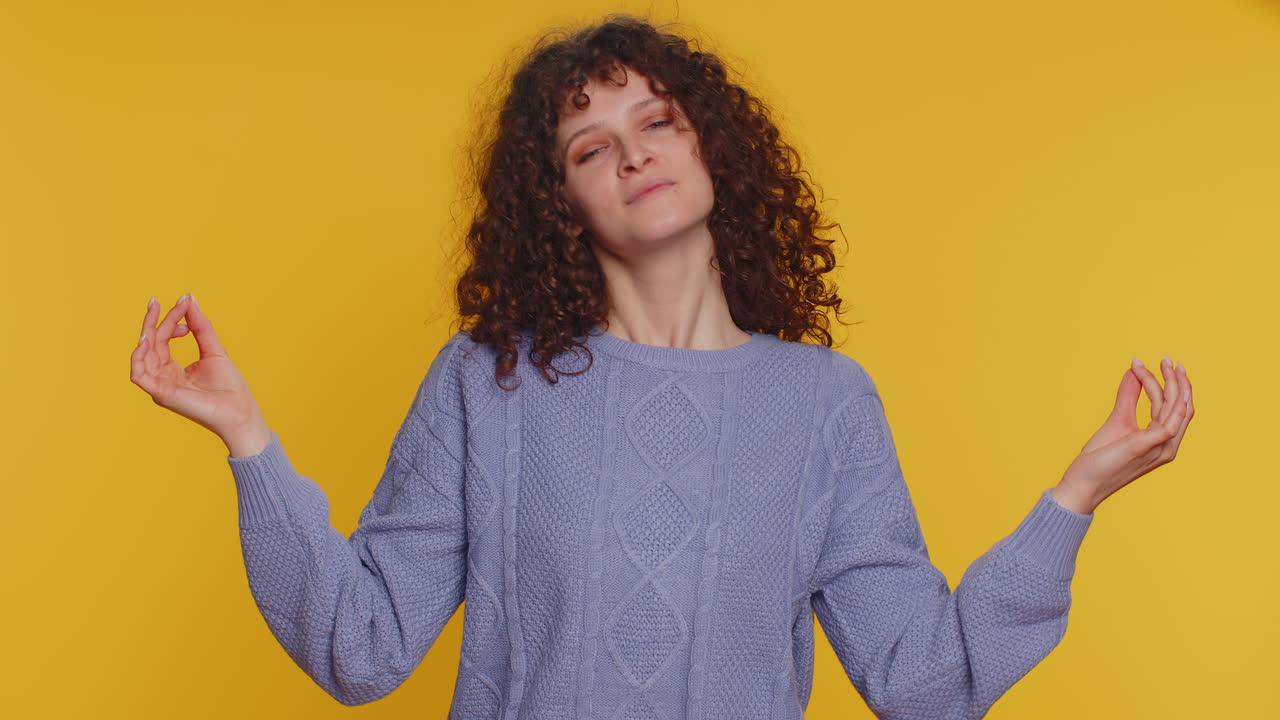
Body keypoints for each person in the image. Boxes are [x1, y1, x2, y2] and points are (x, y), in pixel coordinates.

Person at [129, 14, 1195, 718]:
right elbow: (359, 649)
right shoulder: (485, 384)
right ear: (559, 205)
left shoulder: (821, 406)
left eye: (655, 120)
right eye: (588, 146)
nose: (631, 151)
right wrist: (247, 441)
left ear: (708, 149)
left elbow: (923, 682)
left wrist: (1073, 497)